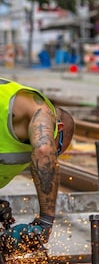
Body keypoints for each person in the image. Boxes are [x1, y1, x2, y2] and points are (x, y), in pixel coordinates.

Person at [0, 77, 75, 251]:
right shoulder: (40, 111)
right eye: (57, 150)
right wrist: (45, 222)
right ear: (59, 128)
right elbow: (43, 152)